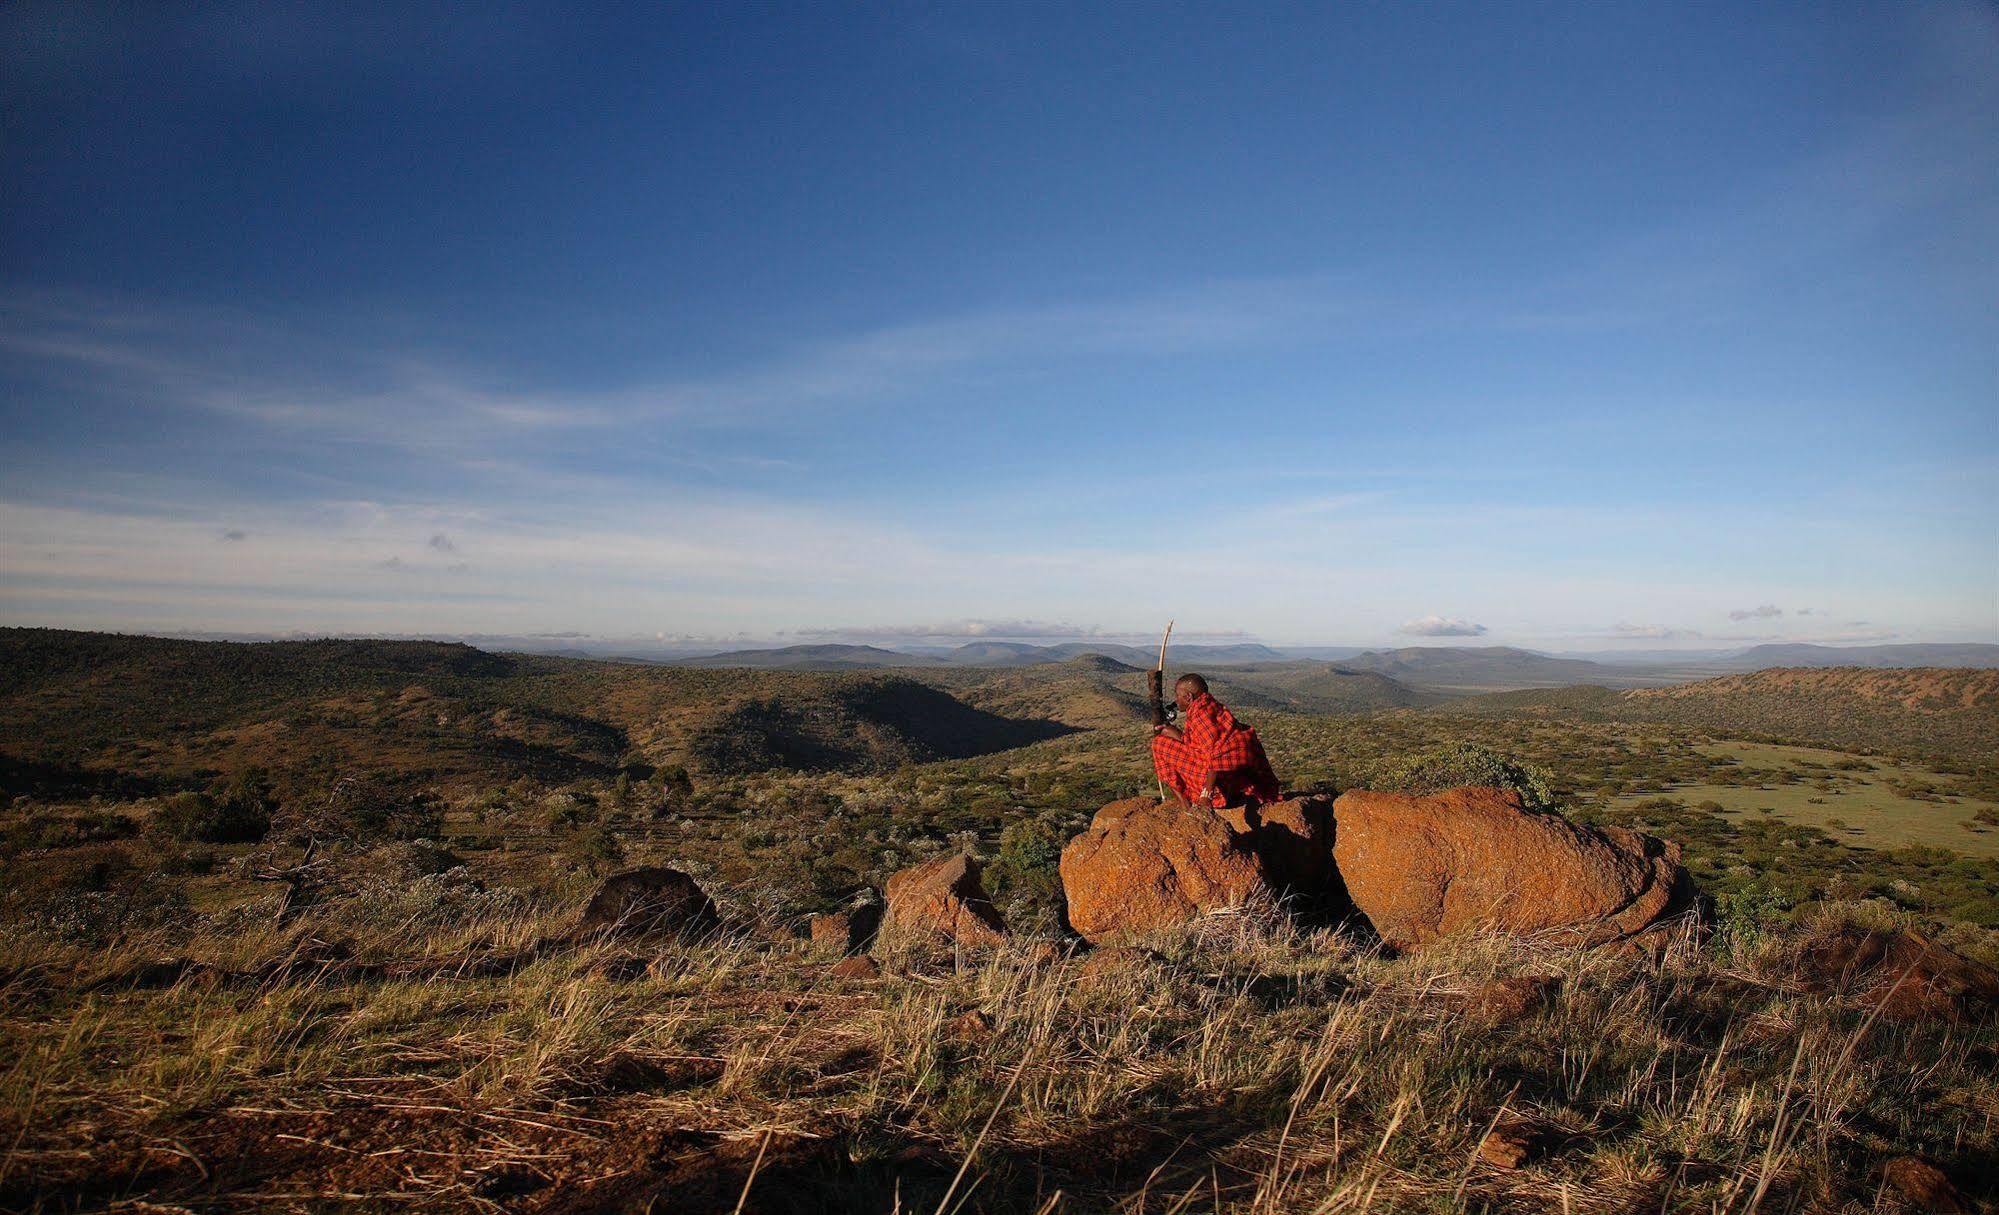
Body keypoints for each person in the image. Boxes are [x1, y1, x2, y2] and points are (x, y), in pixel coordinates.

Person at [1150, 673, 1281, 808]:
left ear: (1188, 697)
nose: (1176, 700)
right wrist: (1172, 731)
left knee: (1158, 744)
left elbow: (1216, 755)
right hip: (1238, 779)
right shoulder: (1211, 707)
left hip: (1218, 785)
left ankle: (1185, 806)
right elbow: (1202, 744)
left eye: (1177, 695)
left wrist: (1206, 795)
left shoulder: (1200, 716)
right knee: (1166, 737)